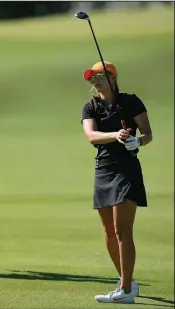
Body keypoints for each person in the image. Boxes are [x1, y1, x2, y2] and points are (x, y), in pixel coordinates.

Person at [80, 61, 153, 304]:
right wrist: (116, 135)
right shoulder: (90, 107)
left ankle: (125, 291)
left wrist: (137, 142)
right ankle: (128, 282)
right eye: (93, 78)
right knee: (109, 232)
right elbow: (91, 136)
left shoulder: (130, 102)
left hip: (127, 169)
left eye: (100, 77)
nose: (95, 82)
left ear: (112, 78)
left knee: (122, 230)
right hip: (103, 169)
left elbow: (147, 134)